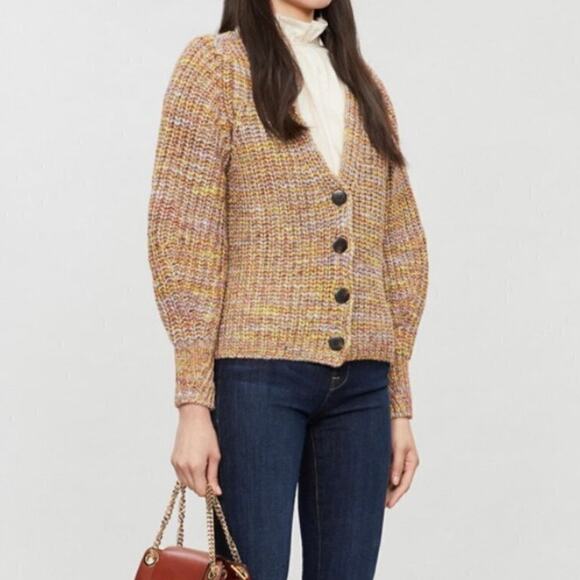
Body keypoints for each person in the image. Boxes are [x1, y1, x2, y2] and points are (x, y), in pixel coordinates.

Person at [147, 1, 429, 578]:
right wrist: (193, 403)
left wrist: (398, 404)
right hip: (257, 380)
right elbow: (185, 236)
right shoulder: (216, 68)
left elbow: (400, 248)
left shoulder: (364, 85)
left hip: (364, 388)